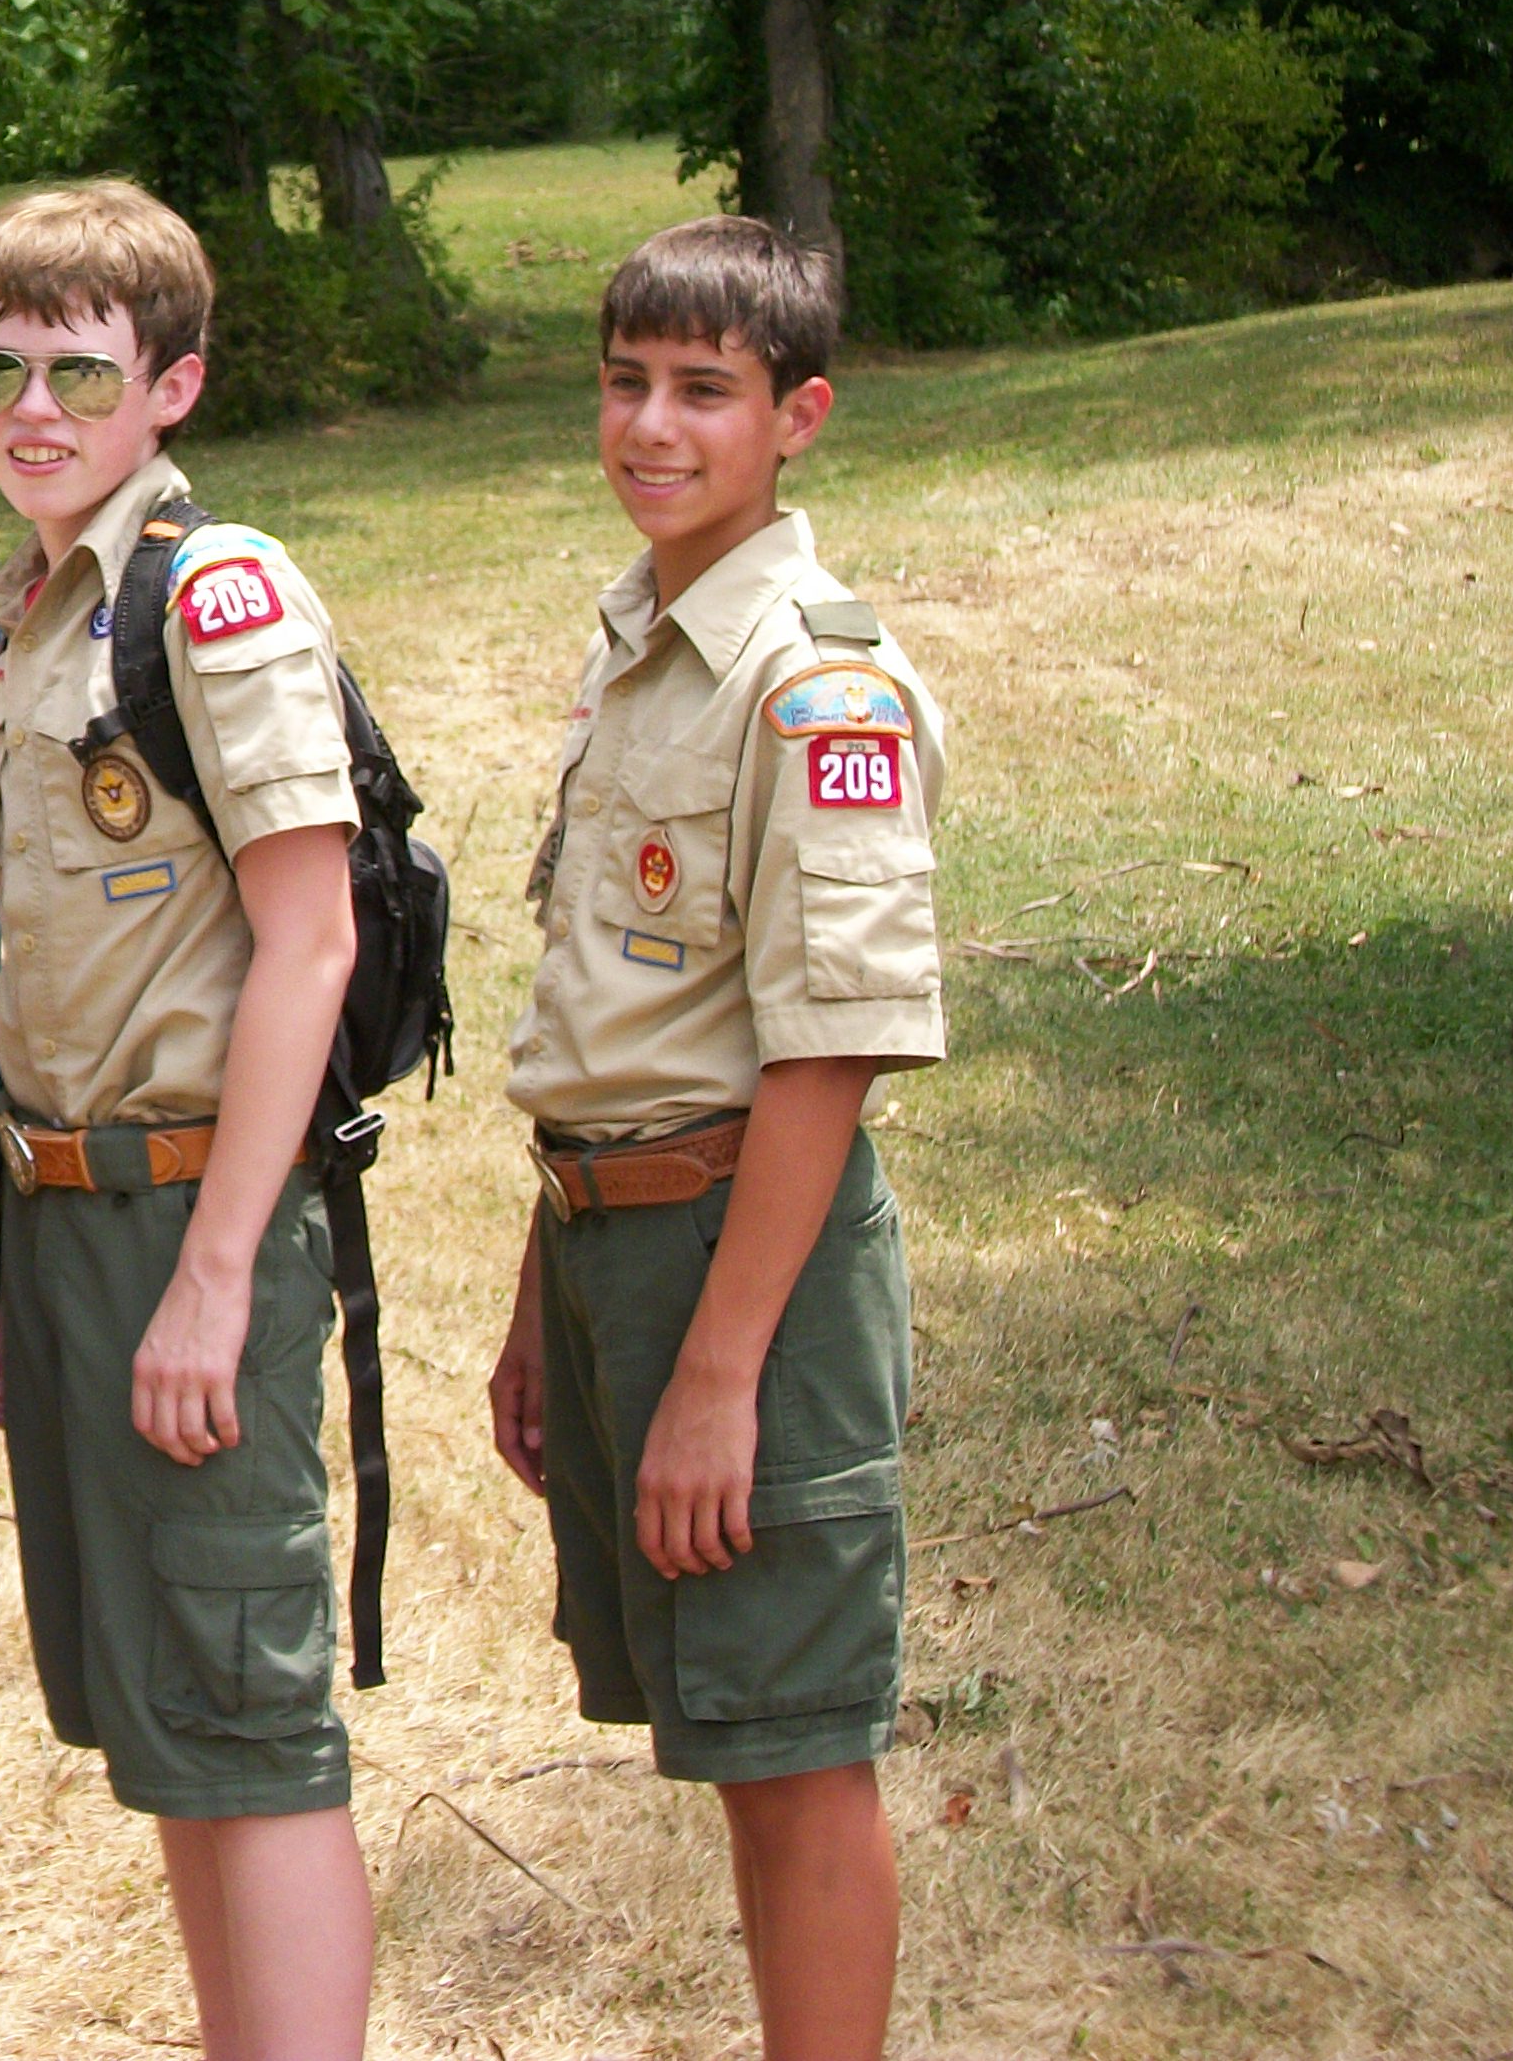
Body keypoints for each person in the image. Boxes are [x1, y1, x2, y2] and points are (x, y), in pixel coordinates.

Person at [485, 216, 942, 2061]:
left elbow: (826, 1054)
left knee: (798, 1750)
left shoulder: (814, 683)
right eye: (626, 384)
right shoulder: (647, 644)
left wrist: (721, 1374)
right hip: (617, 1246)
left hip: (749, 1265)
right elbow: (606, 1009)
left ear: (797, 417)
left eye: (704, 391)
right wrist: (543, 1297)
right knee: (738, 1737)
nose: (652, 427)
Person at [0, 180, 374, 2061]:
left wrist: (214, 1280)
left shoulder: (215, 593)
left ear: (173, 386)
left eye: (78, 371)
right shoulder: (44, 607)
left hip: (200, 1213)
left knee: (250, 1715)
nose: (31, 410)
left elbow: (311, 941)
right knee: (177, 1729)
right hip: (73, 1219)